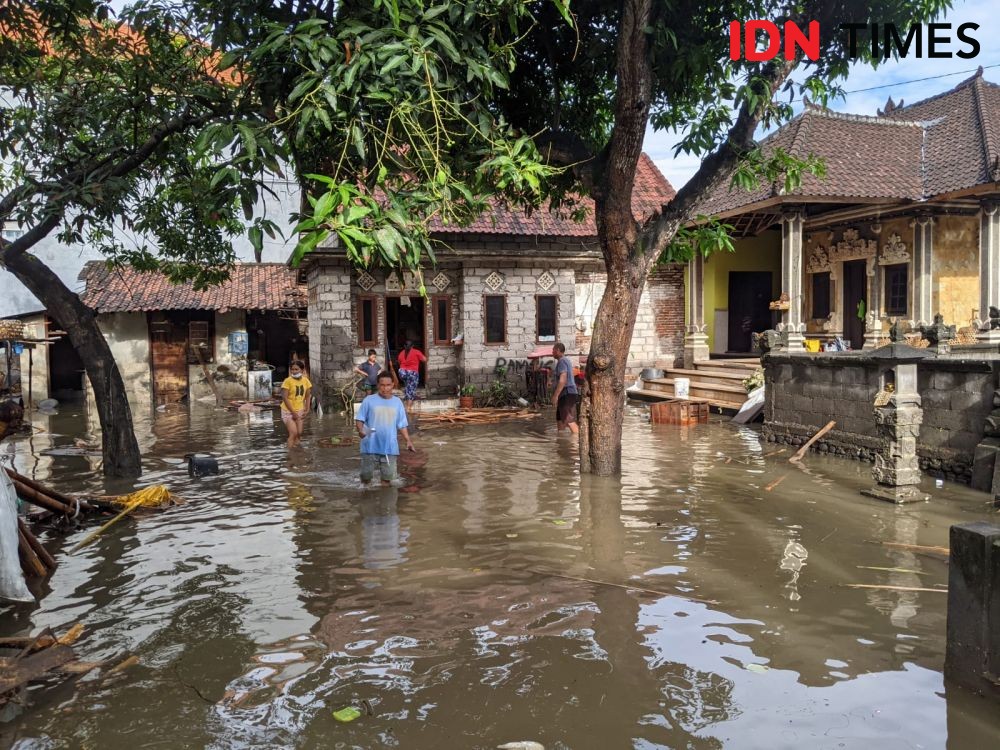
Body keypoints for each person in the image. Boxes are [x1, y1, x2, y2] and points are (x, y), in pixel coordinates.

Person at [355, 371, 415, 485]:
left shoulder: (397, 403)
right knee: (365, 480)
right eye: (382, 385)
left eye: (388, 385)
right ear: (378, 385)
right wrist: (360, 430)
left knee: (387, 481)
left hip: (389, 447)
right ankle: (366, 500)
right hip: (369, 446)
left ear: (393, 385)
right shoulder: (369, 400)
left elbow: (402, 424)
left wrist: (408, 441)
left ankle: (385, 502)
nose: (385, 388)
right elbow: (359, 419)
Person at [280, 360, 312, 447]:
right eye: (292, 370)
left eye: (296, 369)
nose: (294, 372)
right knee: (293, 433)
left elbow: (308, 396)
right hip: (288, 410)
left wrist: (307, 409)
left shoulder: (306, 381)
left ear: (302, 370)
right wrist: (293, 412)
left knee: (299, 433)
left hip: (300, 410)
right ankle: (290, 456)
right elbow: (285, 398)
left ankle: (298, 454)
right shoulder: (287, 381)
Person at [551, 342, 579, 435]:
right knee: (560, 419)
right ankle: (561, 442)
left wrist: (555, 396)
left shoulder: (562, 361)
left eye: (553, 350)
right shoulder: (564, 361)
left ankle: (577, 442)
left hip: (567, 392)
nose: (552, 352)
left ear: (558, 350)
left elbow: (563, 380)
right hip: (565, 393)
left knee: (568, 419)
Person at [397, 340, 426, 410]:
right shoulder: (416, 352)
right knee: (411, 389)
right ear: (412, 346)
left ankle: (408, 395)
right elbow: (424, 359)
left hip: (402, 372)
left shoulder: (401, 353)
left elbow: (399, 362)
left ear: (404, 346)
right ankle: (408, 407)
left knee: (408, 385)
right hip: (412, 373)